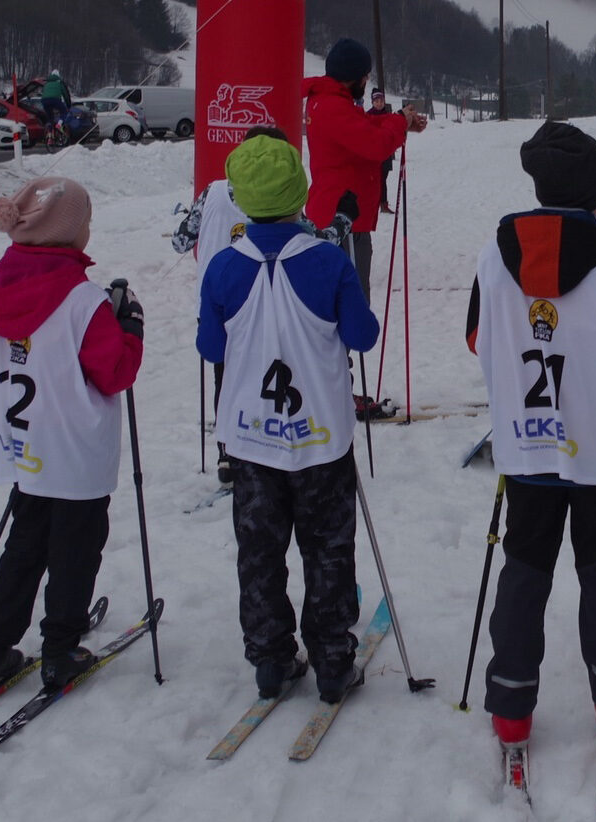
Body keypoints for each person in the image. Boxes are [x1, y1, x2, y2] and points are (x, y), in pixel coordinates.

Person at [465, 121, 596, 760]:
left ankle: (512, 707)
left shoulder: (494, 258)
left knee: (524, 571)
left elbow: (478, 338)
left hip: (527, 446)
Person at [197, 135, 379, 702]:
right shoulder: (325, 260)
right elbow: (362, 335)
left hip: (251, 439)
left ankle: (271, 658)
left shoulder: (224, 266)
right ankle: (330, 659)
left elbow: (210, 346)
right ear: (300, 193)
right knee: (327, 547)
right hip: (320, 437)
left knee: (259, 550)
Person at [0, 177, 143, 690]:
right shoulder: (83, 300)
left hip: (23, 441)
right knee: (75, 549)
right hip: (76, 447)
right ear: (71, 233)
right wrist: (129, 327)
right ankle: (60, 648)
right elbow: (115, 374)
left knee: (26, 542)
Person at [302, 37, 425, 419]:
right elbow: (372, 144)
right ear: (355, 77)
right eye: (366, 76)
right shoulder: (332, 107)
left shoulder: (332, 102)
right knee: (345, 308)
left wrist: (398, 123)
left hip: (344, 217)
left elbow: (361, 126)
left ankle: (337, 386)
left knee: (344, 306)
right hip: (340, 223)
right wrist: (397, 123)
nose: (367, 82)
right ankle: (336, 390)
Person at [172, 125, 290, 486]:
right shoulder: (280, 195)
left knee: (226, 376)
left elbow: (180, 241)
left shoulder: (212, 191)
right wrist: (343, 222)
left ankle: (228, 449)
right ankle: (269, 442)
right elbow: (314, 237)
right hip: (268, 300)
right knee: (272, 368)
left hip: (216, 301)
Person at [367, 89, 395, 214]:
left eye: (381, 101)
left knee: (383, 179)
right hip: (372, 153)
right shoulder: (368, 115)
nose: (379, 103)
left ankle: (383, 204)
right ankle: (373, 204)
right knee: (374, 180)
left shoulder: (388, 115)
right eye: (376, 101)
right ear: (372, 102)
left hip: (385, 153)